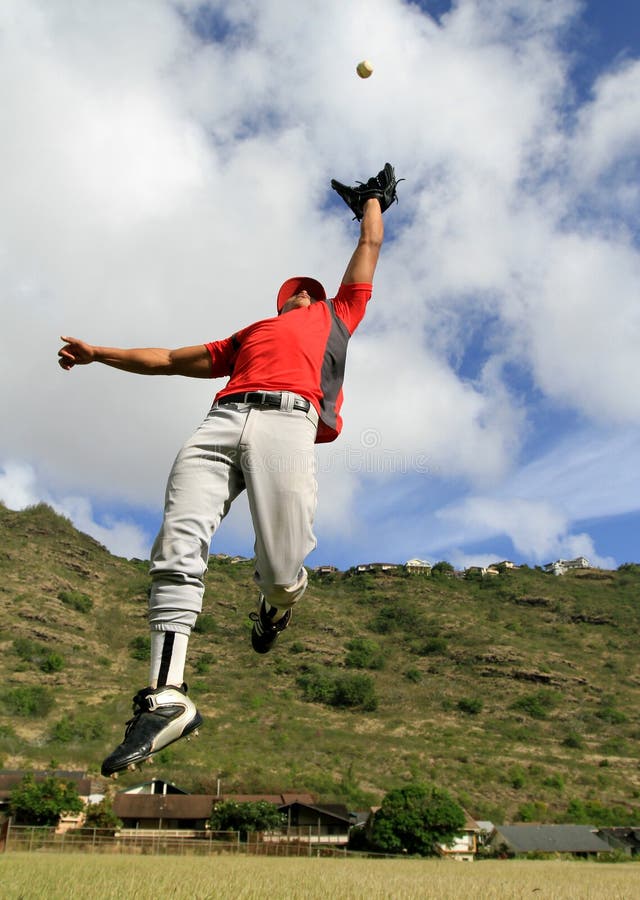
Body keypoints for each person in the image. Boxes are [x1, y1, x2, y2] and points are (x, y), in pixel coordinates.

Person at [57, 164, 401, 777]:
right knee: (177, 540)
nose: (303, 294)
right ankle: (168, 697)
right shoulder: (251, 334)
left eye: (309, 290)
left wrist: (372, 201)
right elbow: (167, 358)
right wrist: (97, 354)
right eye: (296, 290)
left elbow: (369, 245)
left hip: (288, 422)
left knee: (281, 562)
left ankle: (275, 606)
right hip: (222, 419)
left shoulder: (338, 315)